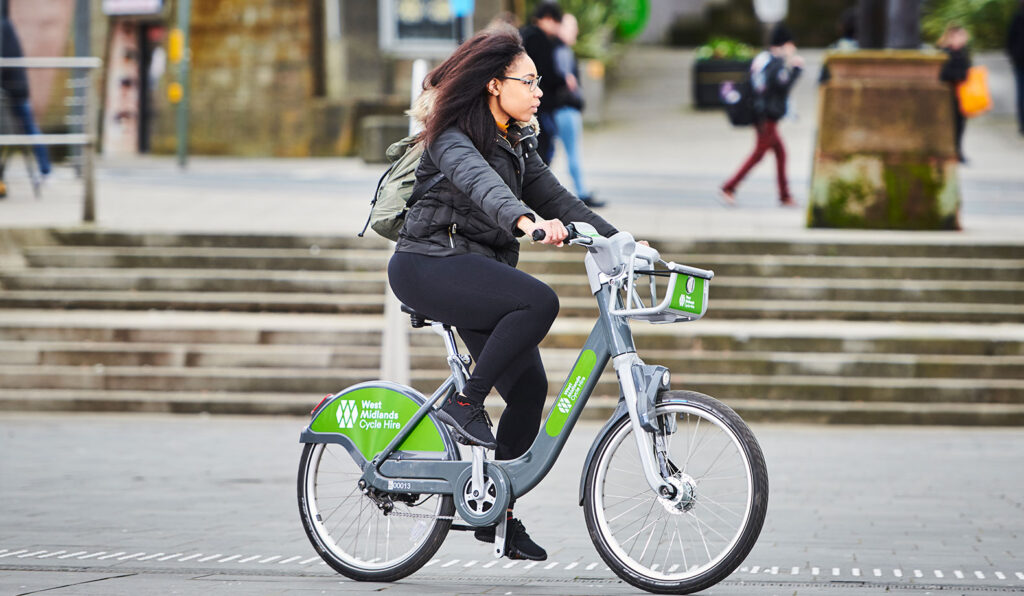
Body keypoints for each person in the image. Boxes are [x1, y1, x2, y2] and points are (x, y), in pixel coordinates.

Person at [389, 28, 619, 561]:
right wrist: (525, 222)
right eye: (529, 81)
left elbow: (561, 199)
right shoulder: (450, 136)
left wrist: (621, 241)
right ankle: (464, 401)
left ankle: (501, 513)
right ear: (494, 85)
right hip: (428, 264)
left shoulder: (517, 143)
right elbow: (482, 187)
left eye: (539, 82)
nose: (540, 92)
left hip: (472, 268)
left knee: (531, 388)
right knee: (538, 301)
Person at [720, 23, 803, 207]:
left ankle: (784, 195)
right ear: (783, 44)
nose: (793, 48)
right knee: (759, 154)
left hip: (760, 114)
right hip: (767, 117)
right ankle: (729, 187)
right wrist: (796, 70)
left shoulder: (761, 59)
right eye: (790, 44)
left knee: (780, 153)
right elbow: (781, 86)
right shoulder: (775, 62)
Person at [552, 13, 604, 208]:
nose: (576, 31)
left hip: (562, 108)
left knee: (552, 151)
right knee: (571, 151)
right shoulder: (561, 51)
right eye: (571, 27)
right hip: (565, 109)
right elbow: (568, 81)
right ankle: (581, 191)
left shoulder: (559, 49)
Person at [1, 11, 51, 198]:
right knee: (29, 129)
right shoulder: (7, 27)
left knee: (26, 129)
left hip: (11, 91)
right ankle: (45, 170)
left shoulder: (3, 28)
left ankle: (45, 170)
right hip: (17, 88)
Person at [520, 2, 567, 165]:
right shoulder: (540, 40)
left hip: (526, 103)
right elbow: (547, 73)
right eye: (556, 22)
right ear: (547, 19)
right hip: (542, 104)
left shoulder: (524, 35)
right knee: (543, 149)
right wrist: (563, 80)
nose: (557, 27)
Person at [938, 24, 971, 163]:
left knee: (960, 124)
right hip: (947, 95)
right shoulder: (944, 53)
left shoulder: (963, 53)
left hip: (961, 95)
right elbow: (944, 74)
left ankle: (957, 150)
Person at [1007, 0, 1024, 136]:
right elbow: (1009, 42)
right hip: (1020, 63)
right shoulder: (1017, 19)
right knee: (1021, 95)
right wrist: (1014, 57)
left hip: (1019, 61)